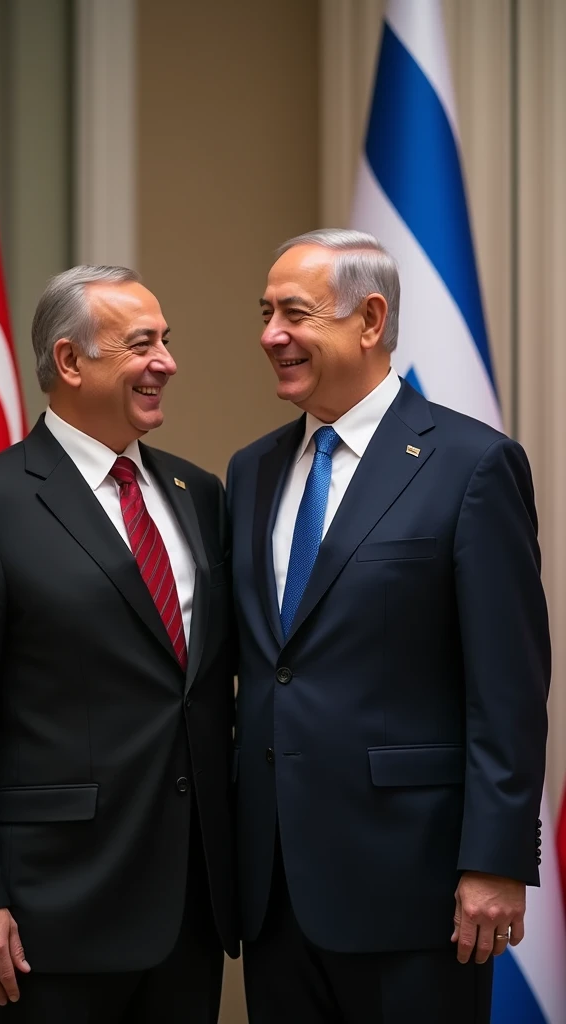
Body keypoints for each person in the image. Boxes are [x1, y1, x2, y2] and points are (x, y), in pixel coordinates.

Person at [226, 229, 549, 1024]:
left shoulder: (471, 465)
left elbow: (508, 687)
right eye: (265, 313)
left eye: (294, 314)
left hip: (416, 887)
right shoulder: (251, 470)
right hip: (273, 891)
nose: (271, 336)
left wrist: (495, 862)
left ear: (370, 319)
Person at [0, 265, 238, 1023]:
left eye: (167, 341)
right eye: (141, 344)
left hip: (190, 905)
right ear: (69, 362)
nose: (167, 362)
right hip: (49, 914)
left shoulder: (200, 494)